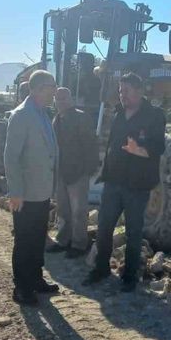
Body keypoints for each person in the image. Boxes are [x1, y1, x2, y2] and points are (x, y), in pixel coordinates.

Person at [83, 72, 165, 292]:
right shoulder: (118, 114)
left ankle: (129, 277)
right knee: (104, 227)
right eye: (120, 91)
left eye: (126, 91)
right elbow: (112, 144)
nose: (122, 95)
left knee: (133, 233)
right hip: (113, 182)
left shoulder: (155, 115)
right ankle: (101, 268)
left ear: (140, 91)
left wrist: (139, 150)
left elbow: (159, 147)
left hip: (137, 186)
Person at [4, 70, 60, 305]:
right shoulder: (22, 115)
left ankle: (36, 279)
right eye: (51, 87)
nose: (54, 92)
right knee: (25, 240)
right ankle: (22, 288)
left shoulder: (43, 113)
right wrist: (15, 192)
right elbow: (11, 157)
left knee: (37, 238)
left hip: (41, 191)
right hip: (25, 193)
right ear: (37, 89)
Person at [47, 87, 99, 258]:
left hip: (78, 172)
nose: (61, 101)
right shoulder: (56, 120)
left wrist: (89, 169)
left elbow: (91, 144)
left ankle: (79, 244)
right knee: (63, 209)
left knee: (78, 211)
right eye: (58, 99)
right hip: (61, 172)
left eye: (64, 98)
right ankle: (63, 240)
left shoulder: (81, 118)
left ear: (71, 100)